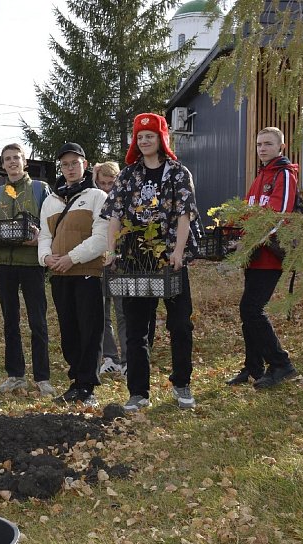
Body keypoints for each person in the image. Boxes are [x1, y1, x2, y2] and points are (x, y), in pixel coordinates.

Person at [102, 113, 202, 412]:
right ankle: (138, 392)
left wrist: (178, 252)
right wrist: (110, 251)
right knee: (136, 329)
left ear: (161, 139)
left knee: (181, 324)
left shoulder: (178, 173)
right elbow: (115, 216)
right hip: (135, 258)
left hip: (170, 256)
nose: (144, 141)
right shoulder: (128, 175)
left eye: (150, 135)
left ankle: (182, 384)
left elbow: (184, 215)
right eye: (140, 136)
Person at [227, 126, 300, 389]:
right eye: (259, 144)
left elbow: (278, 216)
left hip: (270, 255)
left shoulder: (285, 175)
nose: (262, 148)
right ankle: (253, 367)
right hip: (253, 255)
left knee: (251, 308)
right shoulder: (260, 176)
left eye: (268, 144)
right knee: (248, 310)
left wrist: (246, 243)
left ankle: (281, 363)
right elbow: (247, 213)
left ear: (281, 146)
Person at [38, 143, 109, 407]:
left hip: (87, 272)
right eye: (65, 164)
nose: (69, 168)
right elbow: (45, 236)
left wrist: (72, 258)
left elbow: (102, 237)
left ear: (85, 165)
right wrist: (46, 258)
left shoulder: (96, 197)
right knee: (69, 331)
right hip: (59, 275)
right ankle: (75, 382)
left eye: (74, 163)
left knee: (90, 329)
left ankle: (87, 386)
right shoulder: (51, 200)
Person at [0, 143, 54, 396]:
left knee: (38, 321)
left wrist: (41, 239)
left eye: (16, 158)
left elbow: (53, 223)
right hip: (4, 263)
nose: (12, 162)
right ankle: (15, 376)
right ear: (2, 165)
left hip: (32, 264)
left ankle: (43, 378)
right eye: (7, 159)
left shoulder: (40, 189)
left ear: (25, 162)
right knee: (10, 322)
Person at [93, 161, 127, 379]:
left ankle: (127, 360)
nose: (106, 187)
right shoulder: (95, 198)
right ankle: (110, 358)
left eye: (110, 183)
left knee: (123, 313)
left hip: (121, 262)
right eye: (102, 183)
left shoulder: (124, 198)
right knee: (102, 313)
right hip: (99, 260)